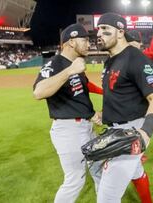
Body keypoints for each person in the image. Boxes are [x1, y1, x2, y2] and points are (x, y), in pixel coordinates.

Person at [96, 13, 153, 203]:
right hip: (115, 128)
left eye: (104, 29)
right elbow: (118, 93)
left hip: (130, 132)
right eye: (98, 29)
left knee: (106, 198)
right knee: (136, 173)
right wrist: (105, 114)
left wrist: (145, 132)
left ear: (120, 32)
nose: (99, 33)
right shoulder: (111, 59)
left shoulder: (136, 58)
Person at [33, 23, 103, 203]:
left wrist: (93, 111)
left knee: (99, 171)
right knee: (75, 181)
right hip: (69, 130)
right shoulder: (56, 63)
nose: (89, 44)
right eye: (85, 40)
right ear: (71, 42)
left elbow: (81, 92)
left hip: (85, 127)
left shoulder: (75, 64)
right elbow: (38, 92)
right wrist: (70, 70)